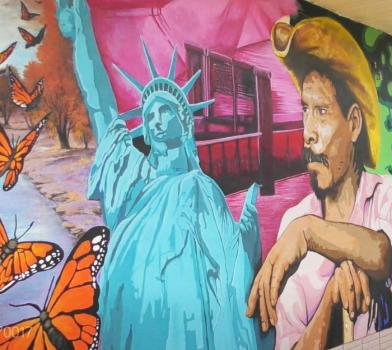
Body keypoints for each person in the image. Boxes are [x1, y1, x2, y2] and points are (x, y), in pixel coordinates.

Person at [62, 27, 264, 348]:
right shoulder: (134, 182)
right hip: (130, 327)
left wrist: (249, 232)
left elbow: (229, 269)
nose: (154, 119)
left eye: (164, 110)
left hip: (184, 333)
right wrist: (83, 24)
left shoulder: (199, 189)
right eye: (149, 113)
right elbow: (100, 104)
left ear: (184, 122)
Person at [246, 17, 392, 349]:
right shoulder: (292, 220)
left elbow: (381, 255)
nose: (307, 133)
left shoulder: (380, 192)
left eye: (321, 111)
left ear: (354, 123)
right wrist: (331, 300)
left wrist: (309, 233)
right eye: (304, 110)